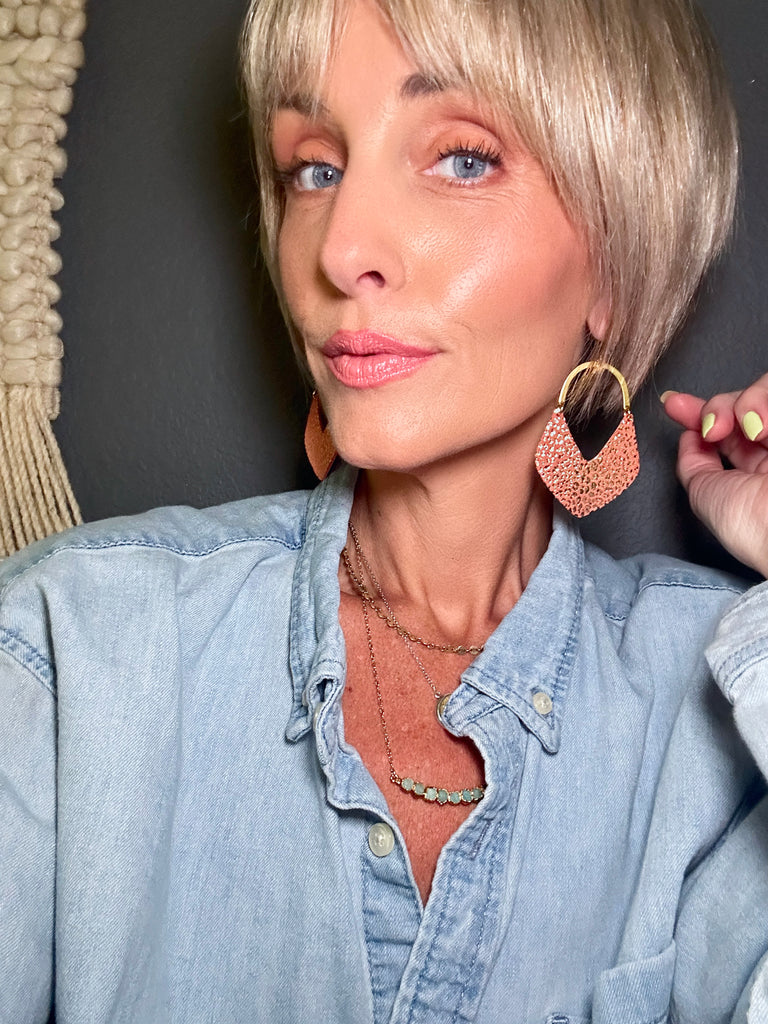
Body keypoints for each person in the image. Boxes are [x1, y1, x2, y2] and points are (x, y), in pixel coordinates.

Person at [3, 0, 768, 1021]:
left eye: (461, 159)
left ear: (615, 266)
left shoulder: (720, 703)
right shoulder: (67, 651)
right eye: (314, 168)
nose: (341, 249)